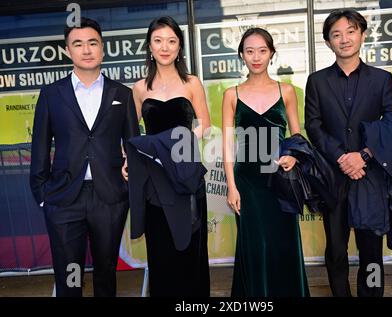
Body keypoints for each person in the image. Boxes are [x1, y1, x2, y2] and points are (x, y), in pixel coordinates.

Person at [30, 17, 140, 297]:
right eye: (78, 44)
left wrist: (128, 183)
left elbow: (133, 144)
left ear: (103, 49)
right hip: (64, 198)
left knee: (106, 271)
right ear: (67, 51)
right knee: (69, 275)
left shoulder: (122, 94)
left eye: (93, 43)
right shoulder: (51, 94)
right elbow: (40, 149)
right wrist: (44, 196)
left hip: (110, 197)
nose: (86, 50)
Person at [305, 9, 392, 297]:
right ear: (328, 42)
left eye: (350, 31)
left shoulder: (382, 79)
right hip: (332, 178)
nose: (344, 39)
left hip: (370, 177)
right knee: (336, 248)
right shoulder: (317, 81)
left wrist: (364, 155)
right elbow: (314, 124)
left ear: (362, 34)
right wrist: (341, 157)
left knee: (371, 250)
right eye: (336, 34)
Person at [122, 16, 211, 297]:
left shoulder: (192, 83)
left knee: (190, 247)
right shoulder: (138, 89)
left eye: (171, 41)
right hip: (154, 181)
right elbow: (130, 133)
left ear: (179, 46)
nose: (165, 47)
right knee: (161, 250)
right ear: (149, 46)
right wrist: (128, 159)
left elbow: (205, 125)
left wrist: (179, 145)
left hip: (186, 175)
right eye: (158, 41)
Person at [222, 27, 310, 297]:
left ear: (271, 53)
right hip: (247, 181)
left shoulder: (288, 91)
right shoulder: (231, 94)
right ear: (242, 55)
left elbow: (297, 136)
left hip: (279, 180)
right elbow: (227, 144)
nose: (256, 56)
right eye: (249, 51)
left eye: (262, 50)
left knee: (284, 242)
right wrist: (231, 186)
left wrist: (292, 157)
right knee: (253, 245)